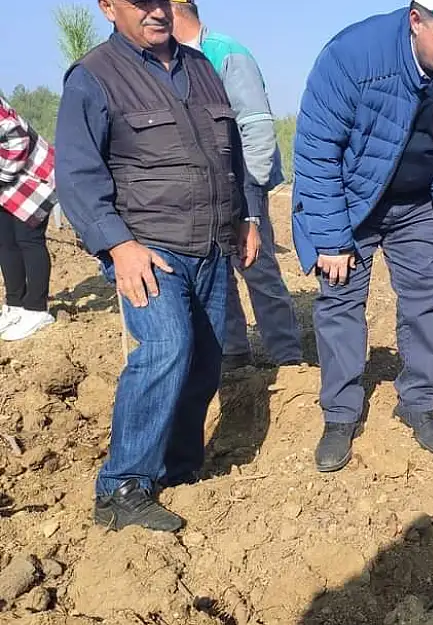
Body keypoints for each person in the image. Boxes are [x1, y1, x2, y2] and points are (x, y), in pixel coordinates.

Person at [55, 0, 260, 532]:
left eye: (164, 0)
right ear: (108, 7)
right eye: (140, 2)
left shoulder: (202, 68)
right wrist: (118, 246)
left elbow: (228, 152)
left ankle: (178, 468)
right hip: (148, 248)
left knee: (206, 359)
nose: (156, 11)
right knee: (168, 347)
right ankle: (122, 485)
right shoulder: (95, 77)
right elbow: (77, 176)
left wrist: (246, 216)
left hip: (212, 244)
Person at [293, 1, 433, 471]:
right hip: (352, 200)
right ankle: (341, 414)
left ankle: (418, 403)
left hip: (421, 204)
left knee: (425, 299)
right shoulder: (352, 57)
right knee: (340, 301)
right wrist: (331, 239)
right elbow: (316, 151)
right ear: (415, 19)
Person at [171, 0, 304, 369]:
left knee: (255, 263)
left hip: (242, 180)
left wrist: (253, 190)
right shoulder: (177, 59)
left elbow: (257, 126)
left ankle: (287, 354)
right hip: (205, 186)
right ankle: (231, 349)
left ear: (175, 10)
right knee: (217, 264)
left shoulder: (226, 54)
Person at [0, 96, 57, 341]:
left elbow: (17, 138)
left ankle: (37, 308)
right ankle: (16, 305)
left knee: (28, 240)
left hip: (32, 180)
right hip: (9, 185)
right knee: (5, 242)